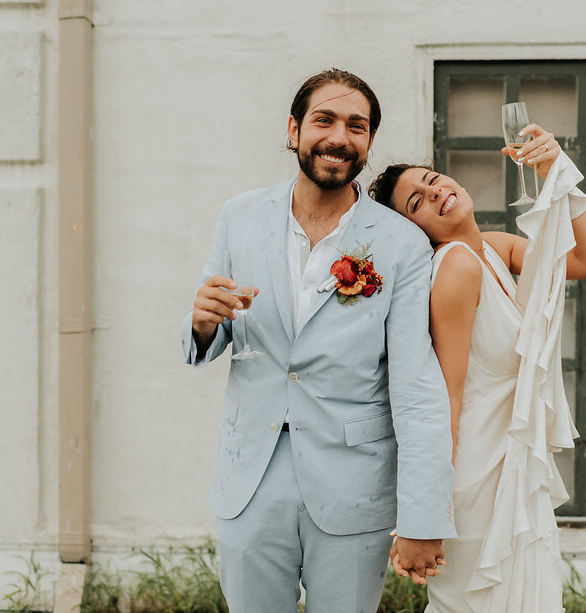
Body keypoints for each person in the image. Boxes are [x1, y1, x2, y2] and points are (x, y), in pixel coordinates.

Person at [181, 68, 456, 613]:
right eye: (323, 120)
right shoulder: (239, 217)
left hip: (354, 485)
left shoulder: (402, 244)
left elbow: (418, 386)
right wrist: (203, 322)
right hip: (249, 478)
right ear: (293, 130)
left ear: (370, 141)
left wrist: (423, 516)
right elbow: (213, 323)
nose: (339, 137)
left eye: (357, 126)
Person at [368, 126, 586, 612]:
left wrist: (554, 171)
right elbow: (447, 395)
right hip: (477, 472)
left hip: (515, 462)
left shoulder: (495, 248)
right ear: (413, 230)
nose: (436, 191)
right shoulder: (456, 265)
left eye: (433, 179)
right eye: (417, 201)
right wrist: (427, 512)